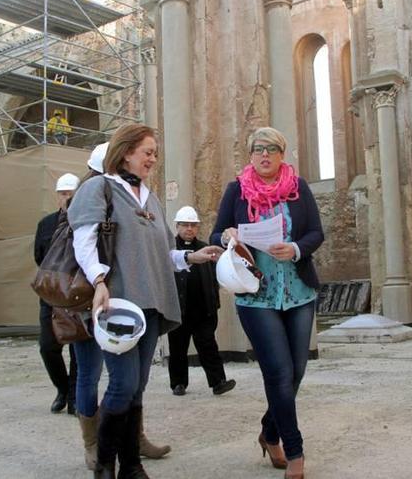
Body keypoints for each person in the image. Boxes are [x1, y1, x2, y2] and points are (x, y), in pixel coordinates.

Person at [69, 130, 219, 478]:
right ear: (125, 154)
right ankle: (105, 464)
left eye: (155, 153)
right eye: (146, 152)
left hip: (150, 304)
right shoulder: (99, 188)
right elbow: (84, 240)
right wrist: (98, 281)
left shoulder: (148, 197)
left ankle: (131, 465)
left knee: (137, 386)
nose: (153, 159)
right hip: (117, 302)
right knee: (122, 383)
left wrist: (191, 257)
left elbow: (161, 252)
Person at [210, 127, 323, 479]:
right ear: (250, 155)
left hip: (299, 293)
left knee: (297, 371)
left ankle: (269, 431)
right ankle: (295, 451)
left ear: (281, 154)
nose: (264, 155)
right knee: (278, 372)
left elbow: (316, 232)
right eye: (258, 149)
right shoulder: (236, 190)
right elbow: (216, 233)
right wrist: (228, 234)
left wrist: (296, 248)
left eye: (272, 149)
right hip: (256, 297)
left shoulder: (298, 188)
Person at [168, 205, 236, 397]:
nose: (189, 229)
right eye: (185, 225)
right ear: (177, 226)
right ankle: (178, 383)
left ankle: (218, 382)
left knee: (208, 345)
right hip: (179, 309)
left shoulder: (205, 248)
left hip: (203, 309)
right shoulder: (171, 249)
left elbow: (215, 276)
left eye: (193, 225)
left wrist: (214, 303)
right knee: (178, 348)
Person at [34, 173, 81, 414]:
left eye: (70, 193)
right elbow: (39, 257)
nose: (66, 198)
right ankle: (62, 389)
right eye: (63, 193)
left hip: (76, 294)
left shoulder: (83, 223)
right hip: (51, 295)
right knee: (48, 346)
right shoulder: (46, 224)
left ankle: (74, 397)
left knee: (77, 349)